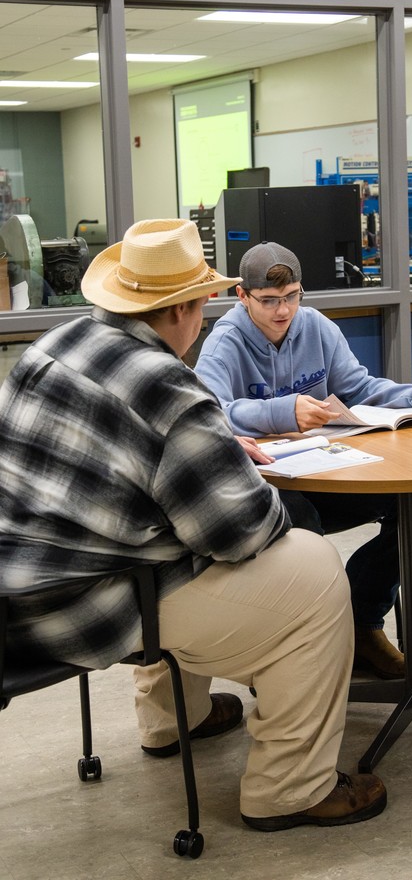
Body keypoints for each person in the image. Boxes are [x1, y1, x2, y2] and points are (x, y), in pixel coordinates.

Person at [0, 219, 387, 831]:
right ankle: (291, 787)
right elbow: (242, 531)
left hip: (17, 596)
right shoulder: (168, 388)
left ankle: (173, 720)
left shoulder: (51, 347)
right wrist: (232, 467)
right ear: (189, 307)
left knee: (166, 534)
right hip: (91, 609)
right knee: (310, 570)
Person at [195, 241, 412, 679]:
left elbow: (358, 386)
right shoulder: (223, 344)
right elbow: (210, 413)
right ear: (242, 297)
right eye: (269, 301)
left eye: (292, 296)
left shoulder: (316, 326)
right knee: (302, 527)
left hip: (326, 469)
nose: (283, 311)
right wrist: (282, 410)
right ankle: (303, 653)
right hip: (273, 487)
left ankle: (362, 620)